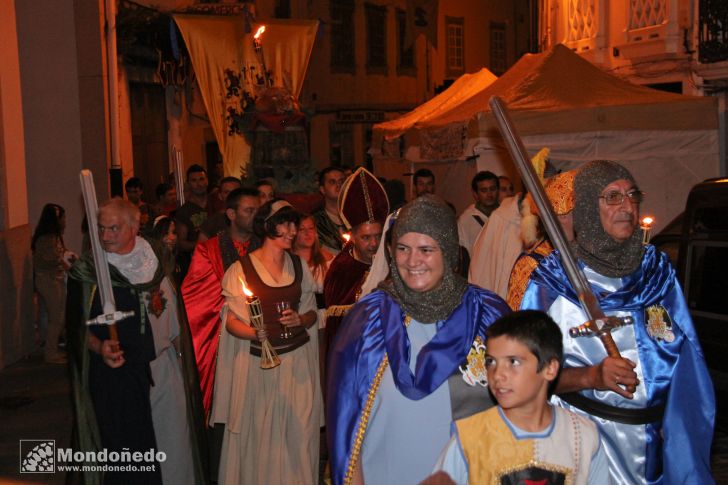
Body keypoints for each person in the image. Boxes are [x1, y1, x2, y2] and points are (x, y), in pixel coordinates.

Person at [521, 160, 715, 484]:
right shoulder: (553, 282)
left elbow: (688, 365)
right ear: (586, 207)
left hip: (653, 451)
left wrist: (686, 447)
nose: (627, 206)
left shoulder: (657, 273)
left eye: (631, 195)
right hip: (583, 446)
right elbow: (526, 376)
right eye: (612, 197)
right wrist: (590, 376)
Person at [327, 195, 510, 485]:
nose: (413, 261)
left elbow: (520, 402)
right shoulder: (367, 320)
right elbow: (346, 420)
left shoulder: (487, 314)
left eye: (426, 249)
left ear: (448, 251)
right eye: (403, 248)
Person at [66, 198, 205, 485]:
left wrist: (186, 365)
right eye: (101, 229)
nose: (106, 237)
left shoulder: (156, 260)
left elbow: (174, 318)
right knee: (128, 454)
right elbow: (76, 328)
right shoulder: (88, 270)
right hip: (117, 377)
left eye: (114, 228)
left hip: (163, 368)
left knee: (172, 442)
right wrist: (99, 346)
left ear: (134, 227)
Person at [213, 199, 322, 485]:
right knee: (262, 436)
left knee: (298, 436)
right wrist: (252, 333)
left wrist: (301, 319)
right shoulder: (241, 270)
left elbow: (312, 312)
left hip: (297, 366)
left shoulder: (299, 266)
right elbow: (230, 321)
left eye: (293, 224)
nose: (291, 230)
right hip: (259, 368)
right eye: (284, 223)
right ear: (267, 226)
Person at [430, 310, 608, 485]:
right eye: (491, 361)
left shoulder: (583, 437)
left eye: (513, 362)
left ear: (549, 368)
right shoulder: (469, 439)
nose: (498, 374)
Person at [182, 187, 261, 418]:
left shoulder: (267, 247)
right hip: (225, 337)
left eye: (258, 210)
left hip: (261, 335)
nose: (255, 215)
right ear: (231, 214)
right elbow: (196, 297)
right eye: (249, 210)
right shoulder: (209, 249)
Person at [322, 167, 388, 367]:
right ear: (353, 237)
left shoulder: (395, 261)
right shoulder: (342, 270)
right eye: (366, 238)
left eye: (378, 236)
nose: (374, 244)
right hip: (357, 355)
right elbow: (337, 328)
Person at [506, 169, 576, 310]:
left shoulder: (593, 255)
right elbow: (520, 325)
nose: (562, 221)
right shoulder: (532, 265)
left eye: (567, 214)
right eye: (558, 215)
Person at [32, 203, 76, 364]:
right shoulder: (46, 238)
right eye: (62, 217)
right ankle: (51, 353)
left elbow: (58, 254)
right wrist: (67, 262)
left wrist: (67, 256)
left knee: (47, 315)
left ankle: (48, 348)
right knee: (57, 317)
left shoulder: (51, 236)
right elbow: (52, 259)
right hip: (49, 280)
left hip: (50, 279)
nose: (64, 221)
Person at [175, 164, 210, 277]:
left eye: (201, 179)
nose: (199, 184)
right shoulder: (184, 211)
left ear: (207, 180)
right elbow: (181, 243)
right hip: (198, 264)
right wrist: (204, 246)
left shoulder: (217, 204)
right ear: (188, 183)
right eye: (194, 180)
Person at [457, 171, 499, 255]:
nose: (489, 194)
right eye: (484, 190)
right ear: (475, 194)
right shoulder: (466, 220)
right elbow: (463, 253)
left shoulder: (506, 215)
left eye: (492, 189)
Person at [313, 166, 347, 254]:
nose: (339, 185)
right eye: (332, 182)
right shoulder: (315, 221)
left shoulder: (358, 216)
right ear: (322, 189)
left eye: (342, 181)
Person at [198, 176, 242, 241]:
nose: (231, 195)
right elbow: (201, 248)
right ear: (220, 196)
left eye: (235, 191)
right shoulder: (212, 222)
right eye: (226, 192)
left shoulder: (251, 218)